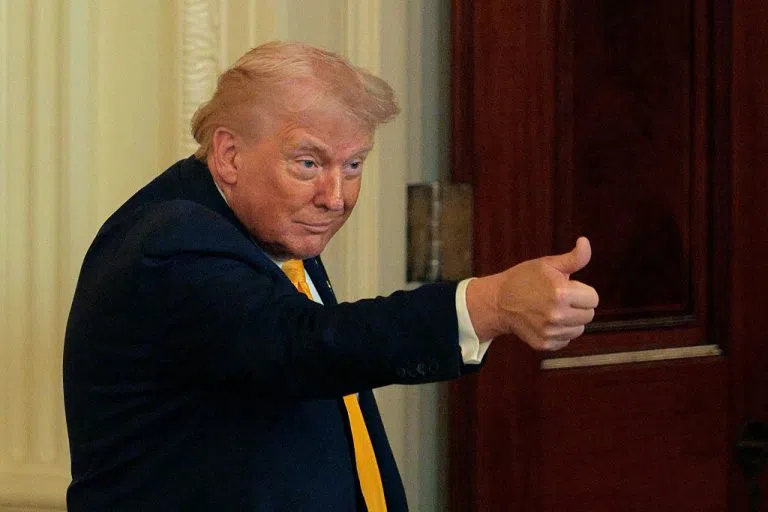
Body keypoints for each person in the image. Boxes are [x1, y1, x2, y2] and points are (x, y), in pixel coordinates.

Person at [63, 41, 598, 511]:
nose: (335, 198)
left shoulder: (270, 226)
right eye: (309, 164)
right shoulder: (172, 241)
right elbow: (305, 347)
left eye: (354, 165)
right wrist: (490, 303)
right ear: (229, 154)